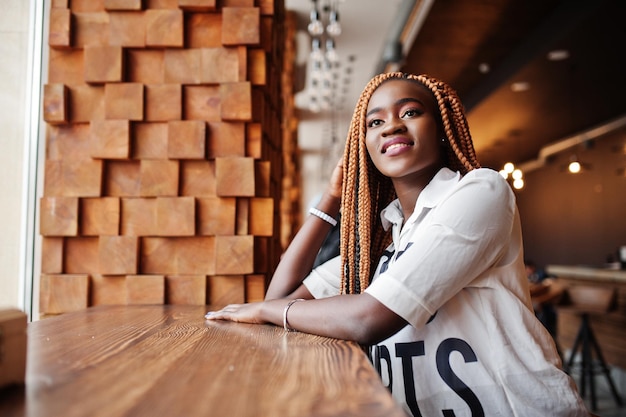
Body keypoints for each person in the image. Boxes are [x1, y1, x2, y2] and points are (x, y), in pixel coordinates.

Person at [206, 72, 589, 416]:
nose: (391, 126)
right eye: (375, 122)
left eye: (409, 113)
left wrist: (269, 310)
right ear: (365, 149)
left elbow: (367, 319)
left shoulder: (481, 191)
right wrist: (330, 199)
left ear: (440, 129)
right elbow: (282, 296)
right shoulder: (385, 241)